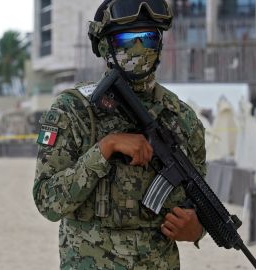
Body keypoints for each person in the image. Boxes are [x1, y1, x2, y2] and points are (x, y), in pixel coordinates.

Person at [33, 1, 207, 269]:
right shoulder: (74, 110)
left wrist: (196, 228)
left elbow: (199, 197)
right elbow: (48, 202)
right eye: (127, 38)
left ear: (159, 44)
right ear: (104, 47)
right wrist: (105, 148)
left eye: (148, 38)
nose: (139, 49)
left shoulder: (182, 118)